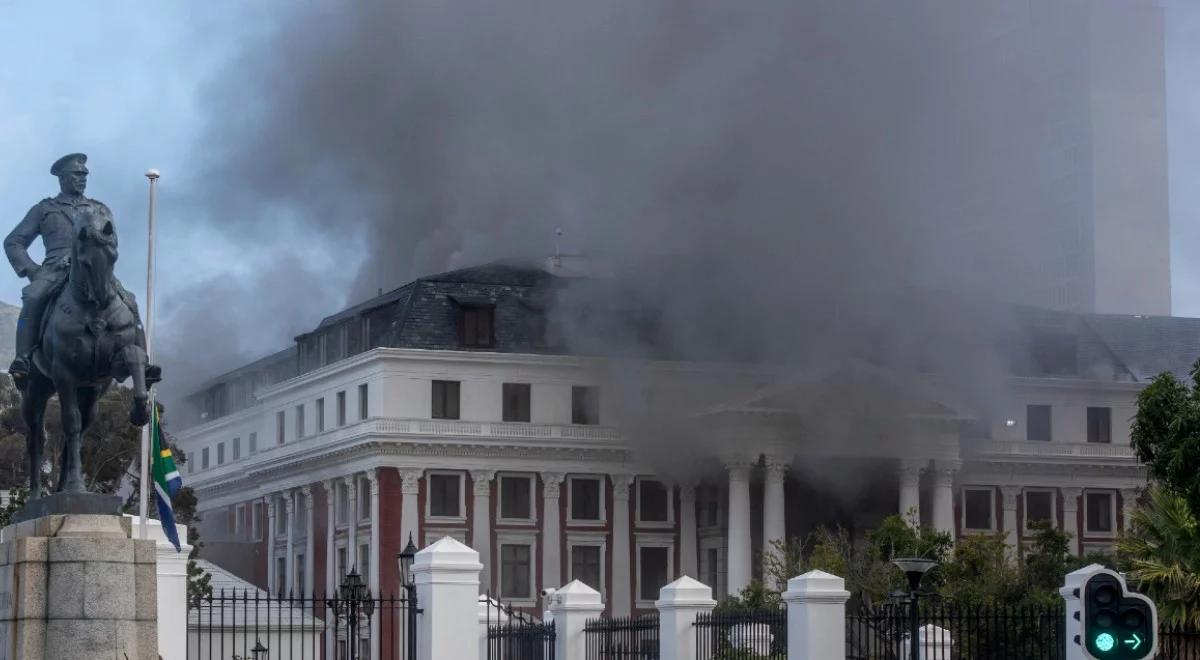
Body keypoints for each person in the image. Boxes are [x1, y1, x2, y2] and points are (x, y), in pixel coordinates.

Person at [4, 153, 139, 380]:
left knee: (130, 300)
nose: (82, 179)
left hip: (92, 268)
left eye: (84, 175)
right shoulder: (45, 209)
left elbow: (112, 239)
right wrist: (32, 270)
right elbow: (13, 241)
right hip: (53, 270)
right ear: (63, 178)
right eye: (76, 175)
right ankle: (23, 358)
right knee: (33, 297)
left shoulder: (99, 210)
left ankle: (141, 360)